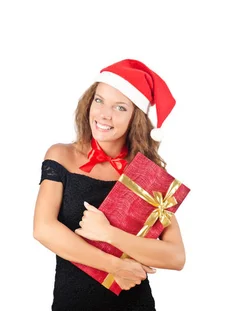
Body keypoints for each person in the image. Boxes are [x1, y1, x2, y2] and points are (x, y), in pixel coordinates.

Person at [33, 59, 185, 311]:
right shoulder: (61, 155)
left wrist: (108, 234)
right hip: (72, 304)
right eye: (99, 100)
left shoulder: (147, 175)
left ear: (136, 118)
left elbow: (176, 256)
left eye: (120, 108)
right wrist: (116, 266)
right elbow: (43, 229)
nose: (104, 114)